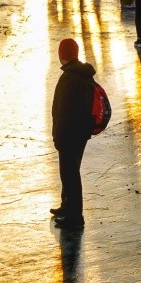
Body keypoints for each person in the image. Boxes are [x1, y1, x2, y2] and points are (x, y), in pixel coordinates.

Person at [50, 38, 96, 231]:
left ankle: (75, 215)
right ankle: (67, 206)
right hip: (80, 133)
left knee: (70, 174)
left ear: (62, 55)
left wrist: (58, 137)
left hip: (69, 134)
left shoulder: (69, 78)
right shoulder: (84, 75)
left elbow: (62, 111)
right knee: (70, 172)